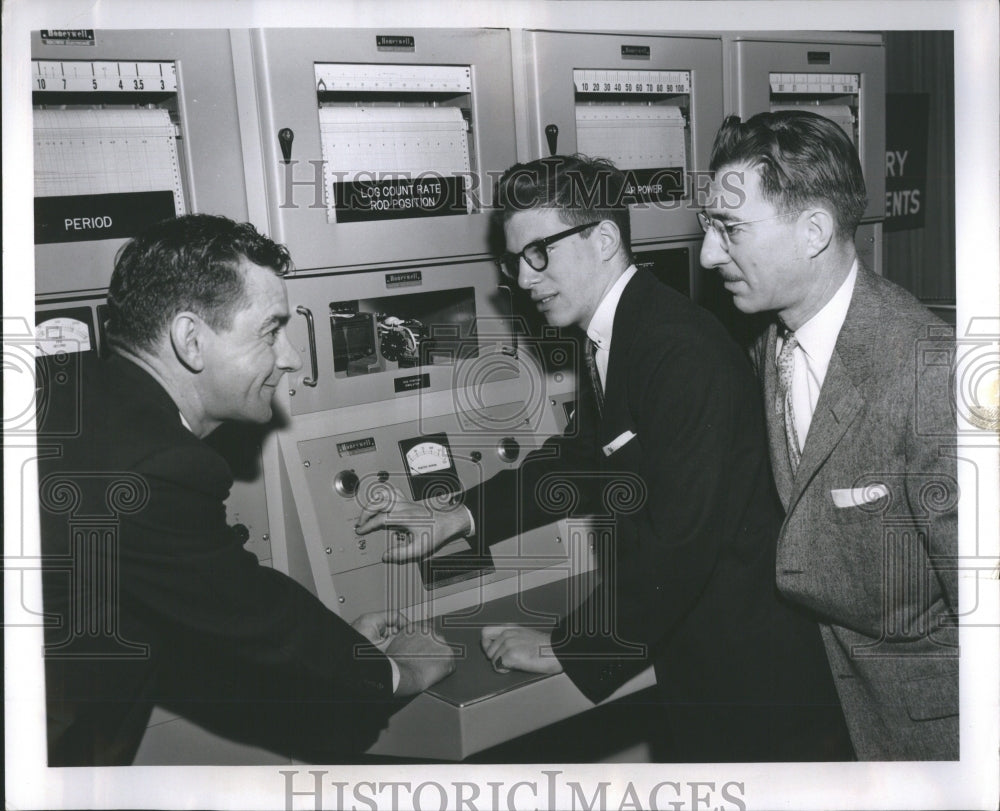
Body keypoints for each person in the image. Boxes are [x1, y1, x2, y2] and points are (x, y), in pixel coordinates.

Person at [356, 154, 854, 762]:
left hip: (750, 680)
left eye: (539, 252)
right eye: (514, 260)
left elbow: (680, 540)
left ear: (604, 239)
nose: (524, 276)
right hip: (707, 651)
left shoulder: (676, 350)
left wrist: (569, 647)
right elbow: (586, 459)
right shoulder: (623, 332)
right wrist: (456, 516)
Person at [37, 214, 455, 767]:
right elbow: (250, 615)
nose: (292, 358)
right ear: (191, 340)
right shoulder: (156, 466)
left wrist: (336, 644)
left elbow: (190, 605)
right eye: (270, 330)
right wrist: (396, 669)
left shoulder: (73, 389)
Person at [699, 110, 958, 760]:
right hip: (829, 714)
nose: (707, 254)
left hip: (932, 732)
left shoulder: (931, 372)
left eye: (730, 229)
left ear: (814, 230)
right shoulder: (766, 339)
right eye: (709, 227)